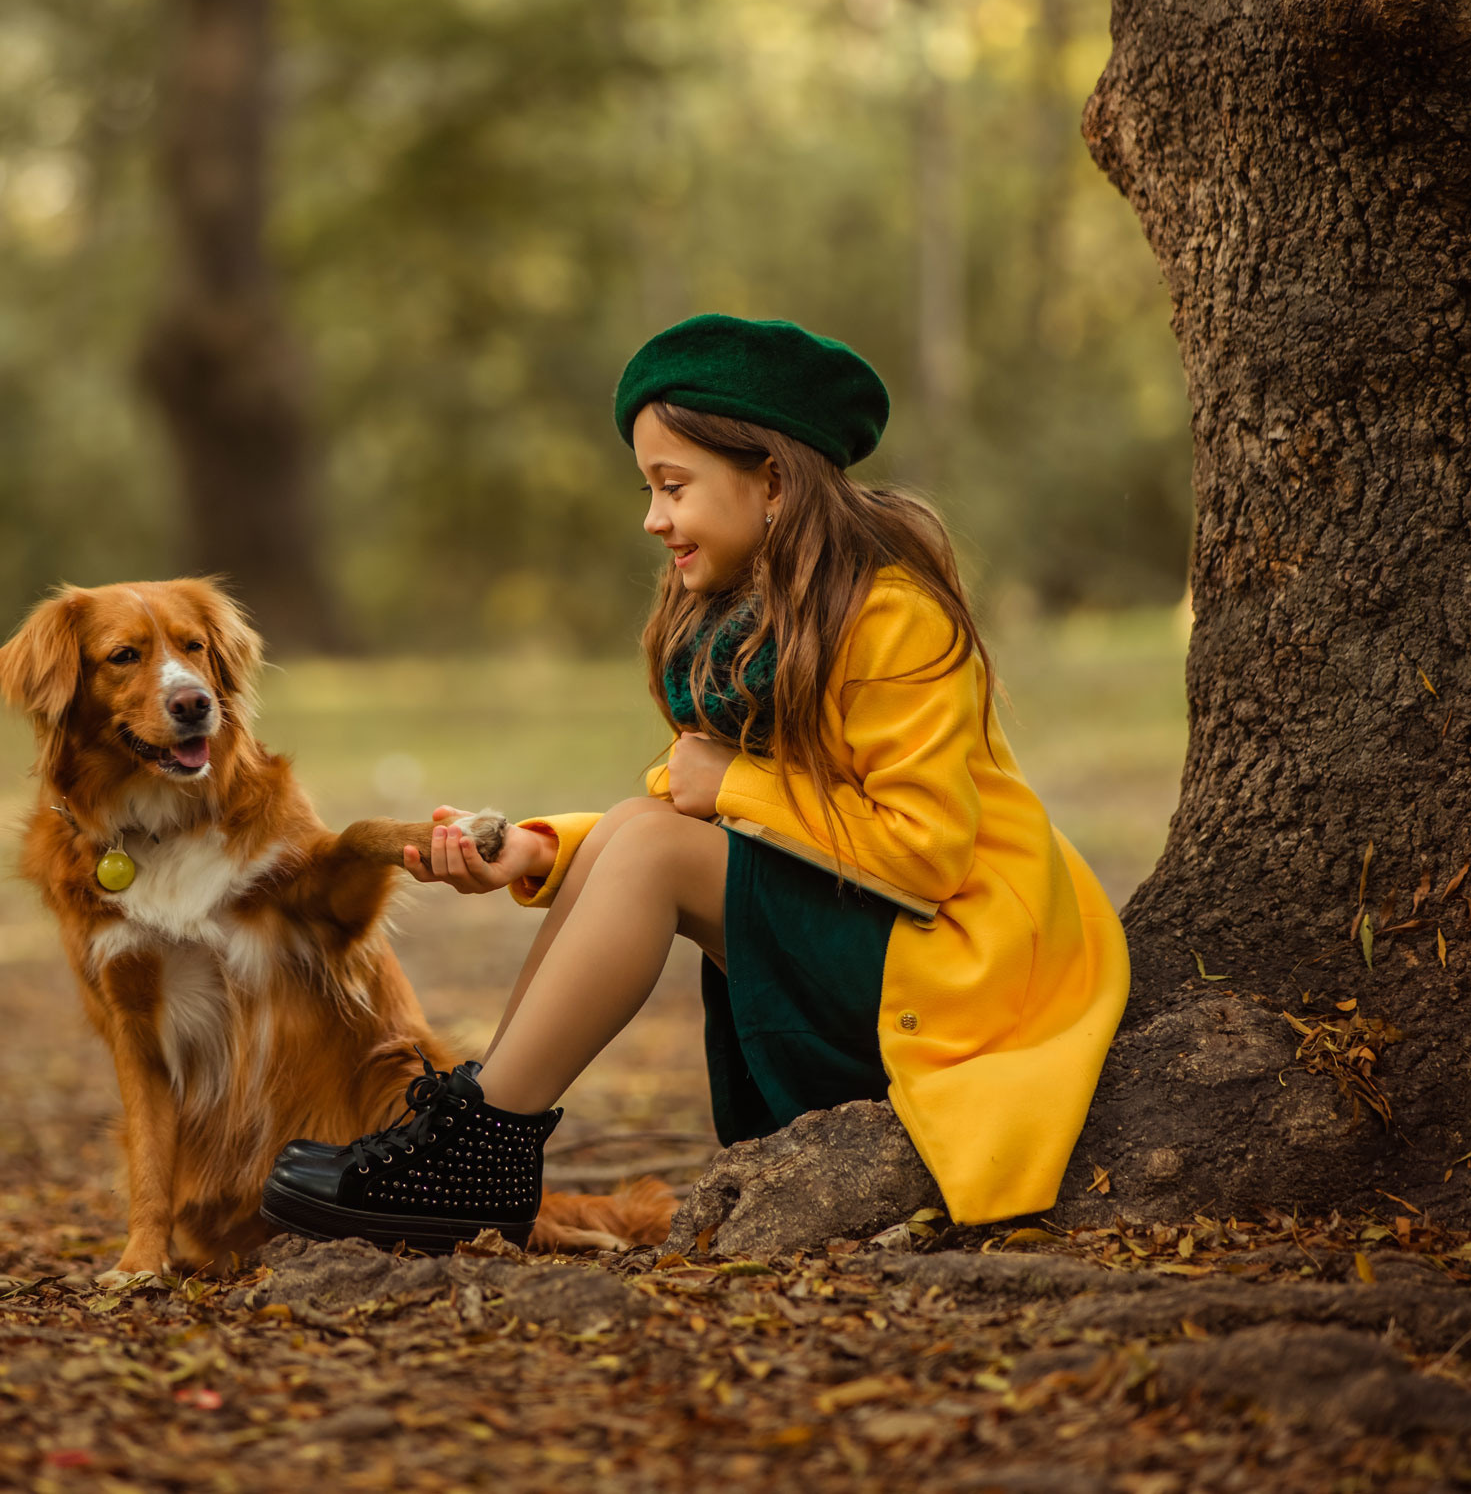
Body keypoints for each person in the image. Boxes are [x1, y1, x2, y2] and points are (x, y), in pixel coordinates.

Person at [258, 312, 1131, 1251]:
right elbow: (676, 814)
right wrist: (537, 850)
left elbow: (925, 852)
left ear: (774, 483)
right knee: (641, 825)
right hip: (868, 952)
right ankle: (474, 1131)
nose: (652, 516)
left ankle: (480, 1151)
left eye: (673, 485)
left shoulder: (894, 621)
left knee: (656, 839)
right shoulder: (749, 625)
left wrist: (732, 785)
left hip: (962, 974)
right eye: (649, 487)